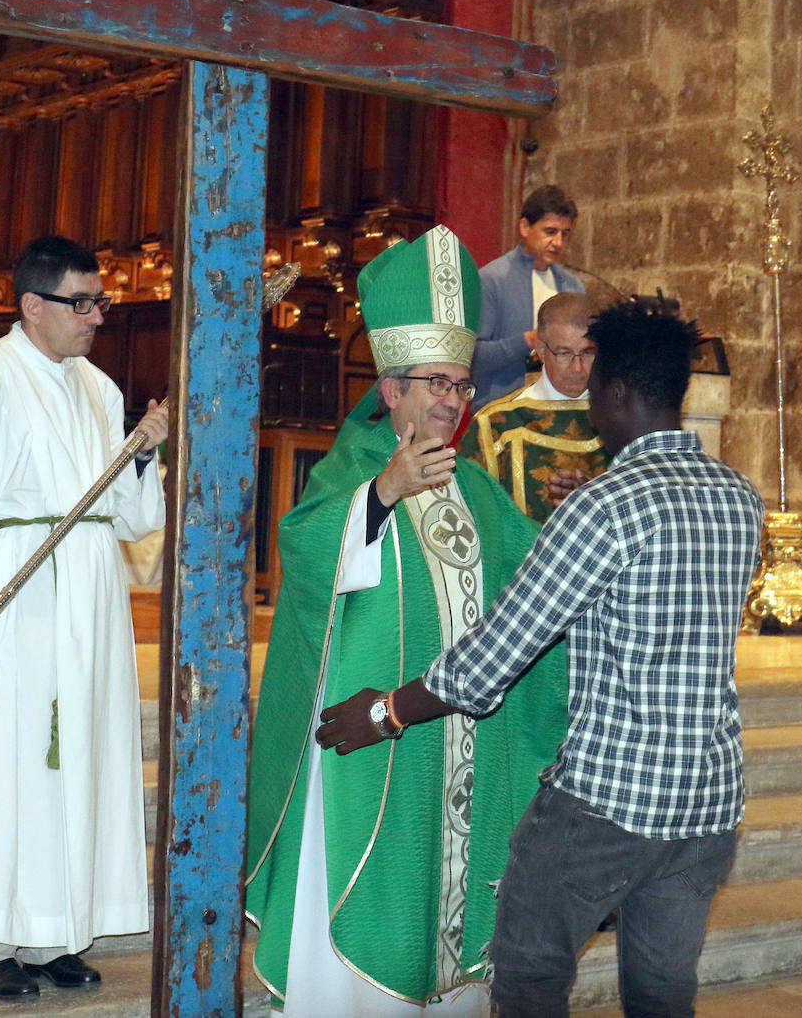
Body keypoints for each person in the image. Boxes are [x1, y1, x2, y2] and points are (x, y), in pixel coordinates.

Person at [318, 301, 765, 1017]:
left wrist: (388, 710)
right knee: (662, 993)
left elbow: (494, 657)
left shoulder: (605, 507)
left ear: (616, 391)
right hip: (708, 803)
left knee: (529, 978)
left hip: (605, 802)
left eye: (594, 387)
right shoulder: (739, 497)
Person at [245, 224, 569, 1015]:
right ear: (390, 389)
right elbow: (308, 558)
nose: (449, 401)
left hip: (468, 751)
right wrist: (382, 495)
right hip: (371, 753)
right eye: (433, 383)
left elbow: (541, 597)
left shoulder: (484, 492)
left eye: (460, 385)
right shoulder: (351, 472)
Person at [0, 236, 167, 1002]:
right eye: (80, 303)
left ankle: (55, 932)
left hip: (90, 591)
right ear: (32, 306)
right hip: (17, 595)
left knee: (80, 756)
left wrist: (143, 455)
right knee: (16, 759)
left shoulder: (100, 388)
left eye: (99, 303)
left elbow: (121, 516)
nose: (95, 318)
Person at [460, 290, 608, 521]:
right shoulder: (494, 427)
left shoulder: (621, 419)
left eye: (588, 353)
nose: (577, 368)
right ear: (540, 349)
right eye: (564, 353)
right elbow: (474, 519)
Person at [472, 185, 583, 407]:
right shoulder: (491, 279)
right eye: (550, 232)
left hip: (560, 408)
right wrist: (528, 340)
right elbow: (473, 358)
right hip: (501, 411)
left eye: (565, 234)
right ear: (524, 227)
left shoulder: (572, 287)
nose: (559, 242)